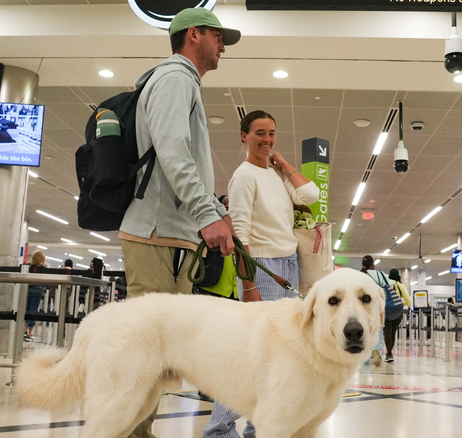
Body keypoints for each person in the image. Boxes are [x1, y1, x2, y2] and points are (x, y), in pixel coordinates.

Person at [116, 8, 241, 438]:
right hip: (157, 235)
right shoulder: (174, 78)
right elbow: (172, 152)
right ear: (193, 35)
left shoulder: (182, 81)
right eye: (218, 36)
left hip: (171, 236)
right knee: (145, 357)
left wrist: (213, 212)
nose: (223, 45)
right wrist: (206, 213)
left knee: (160, 357)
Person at [208, 110, 318, 438]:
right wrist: (249, 284)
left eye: (271, 133)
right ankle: (218, 430)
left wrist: (285, 166)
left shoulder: (275, 173)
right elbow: (239, 233)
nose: (266, 139)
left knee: (278, 357)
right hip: (263, 269)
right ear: (244, 136)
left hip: (288, 265)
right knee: (249, 356)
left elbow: (311, 196)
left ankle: (260, 428)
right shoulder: (243, 176)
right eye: (259, 133)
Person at [360, 255, 385, 367]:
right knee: (377, 330)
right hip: (375, 306)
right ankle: (376, 351)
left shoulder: (359, 275)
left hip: (362, 308)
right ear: (372, 265)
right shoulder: (377, 275)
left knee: (365, 331)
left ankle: (364, 359)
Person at [385, 268, 410, 362]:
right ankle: (389, 353)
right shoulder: (401, 286)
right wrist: (402, 305)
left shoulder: (386, 284)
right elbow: (408, 300)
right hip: (398, 313)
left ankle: (389, 353)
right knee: (393, 333)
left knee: (387, 333)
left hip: (387, 311)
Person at [24, 250, 47, 342]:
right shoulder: (44, 268)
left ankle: (24, 331)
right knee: (33, 311)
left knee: (25, 310)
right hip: (37, 290)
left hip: (27, 289)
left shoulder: (28, 267)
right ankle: (30, 333)